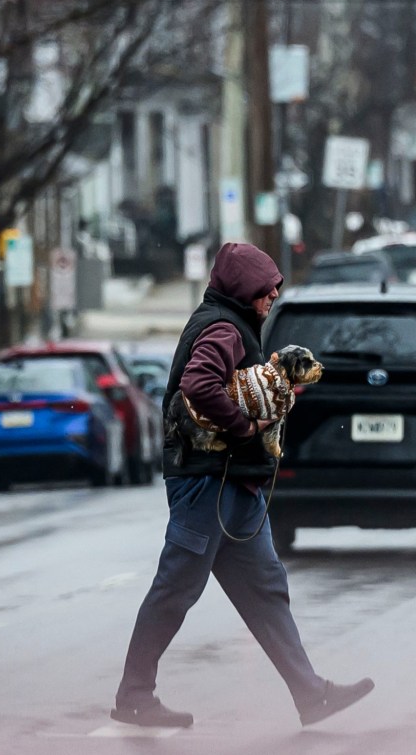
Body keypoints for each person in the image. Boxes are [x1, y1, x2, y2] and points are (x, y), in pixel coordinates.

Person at [111, 242, 374, 729]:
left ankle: (310, 693)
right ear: (243, 288)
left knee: (266, 590)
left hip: (234, 486)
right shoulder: (223, 328)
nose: (273, 294)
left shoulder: (232, 323)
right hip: (207, 485)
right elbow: (198, 384)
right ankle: (134, 694)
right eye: (266, 288)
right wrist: (246, 427)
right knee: (176, 588)